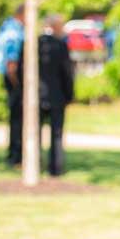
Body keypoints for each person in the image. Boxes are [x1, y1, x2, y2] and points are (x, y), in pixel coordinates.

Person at [38, 14, 74, 176]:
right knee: (57, 134)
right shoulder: (61, 46)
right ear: (55, 27)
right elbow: (67, 73)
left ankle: (35, 164)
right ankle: (56, 168)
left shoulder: (33, 44)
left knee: (34, 134)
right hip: (57, 96)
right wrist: (69, 95)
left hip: (36, 97)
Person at [0, 5, 25, 166]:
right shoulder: (14, 30)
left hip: (10, 78)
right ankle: (15, 155)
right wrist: (17, 83)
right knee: (17, 118)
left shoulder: (7, 26)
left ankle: (14, 154)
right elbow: (11, 62)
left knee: (15, 118)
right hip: (14, 79)